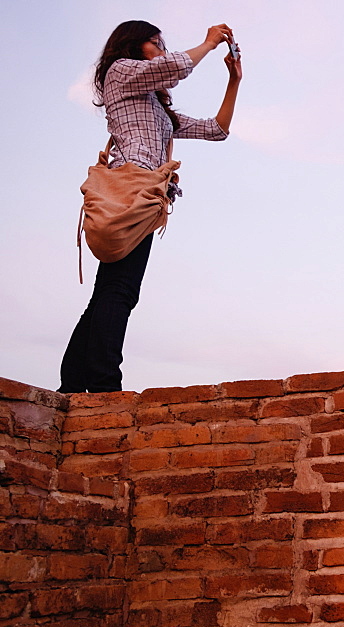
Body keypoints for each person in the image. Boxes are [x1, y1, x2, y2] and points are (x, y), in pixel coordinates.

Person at [58, 20, 242, 393]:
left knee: (110, 289)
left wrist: (233, 81)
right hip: (130, 188)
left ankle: (74, 384)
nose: (161, 49)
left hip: (147, 200)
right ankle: (105, 384)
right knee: (121, 290)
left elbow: (216, 129)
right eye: (155, 43)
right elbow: (173, 67)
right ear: (132, 45)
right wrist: (207, 43)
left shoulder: (159, 108)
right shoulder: (120, 72)